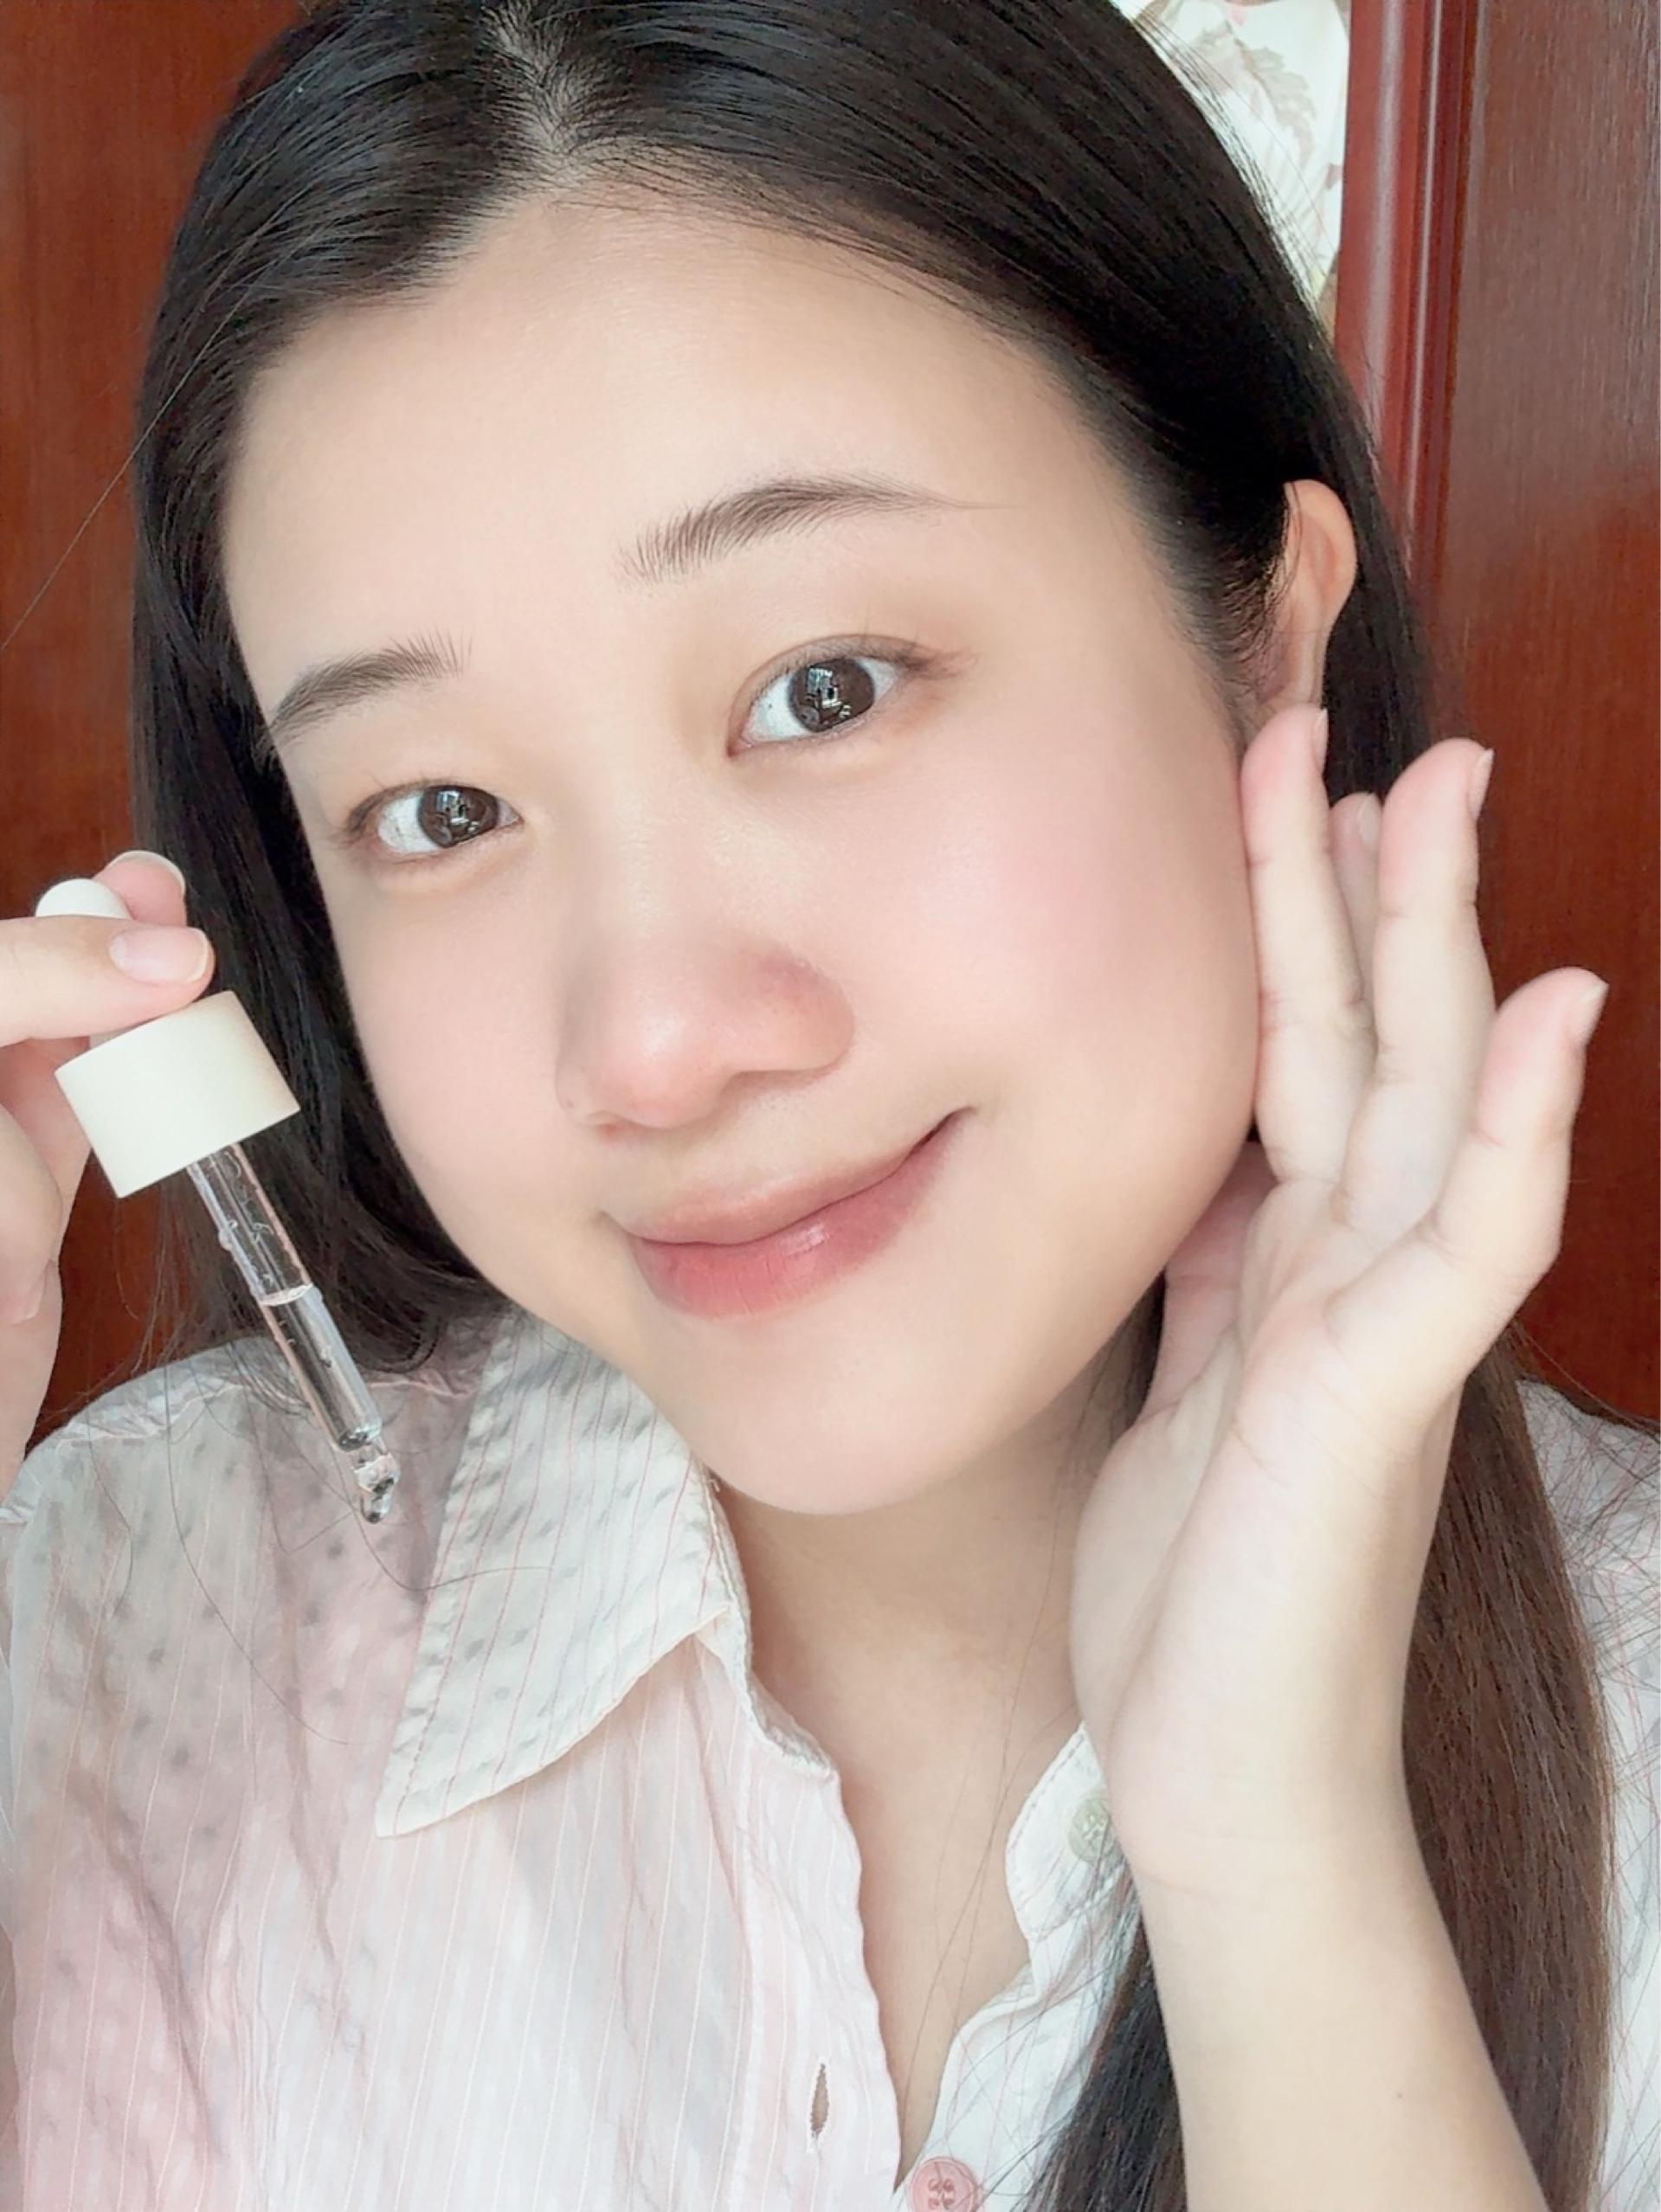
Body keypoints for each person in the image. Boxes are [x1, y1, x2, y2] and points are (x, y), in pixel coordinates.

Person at [1, 3, 1653, 2208]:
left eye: (825, 689)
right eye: (442, 808)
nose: (657, 1044)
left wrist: (1282, 1854)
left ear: (1266, 644)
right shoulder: (121, 1627)